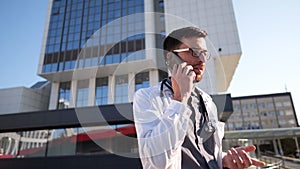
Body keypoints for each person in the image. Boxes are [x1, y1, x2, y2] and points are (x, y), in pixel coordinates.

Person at [133, 26, 265, 169]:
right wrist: (180, 99)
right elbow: (157, 162)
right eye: (194, 52)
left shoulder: (207, 102)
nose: (202, 60)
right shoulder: (147, 98)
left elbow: (204, 152)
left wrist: (224, 159)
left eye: (204, 53)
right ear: (170, 58)